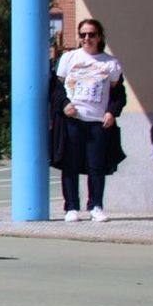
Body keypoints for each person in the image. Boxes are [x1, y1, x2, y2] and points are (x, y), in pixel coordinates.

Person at [56, 20, 124, 223]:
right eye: (83, 34)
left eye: (91, 34)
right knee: (71, 164)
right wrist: (64, 104)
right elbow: (56, 88)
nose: (87, 39)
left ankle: (96, 205)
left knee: (96, 166)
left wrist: (112, 112)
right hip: (73, 119)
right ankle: (71, 207)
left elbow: (118, 93)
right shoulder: (69, 58)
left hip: (97, 122)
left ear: (100, 36)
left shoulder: (110, 63)